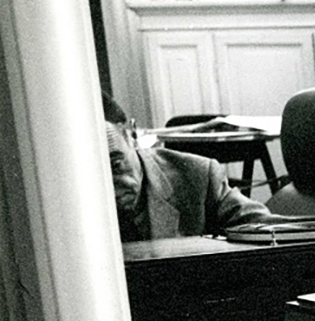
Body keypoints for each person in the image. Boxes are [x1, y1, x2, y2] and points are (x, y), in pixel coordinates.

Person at [103, 92, 273, 241]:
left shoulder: (197, 176)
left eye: (116, 166)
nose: (111, 189)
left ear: (132, 136)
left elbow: (262, 226)